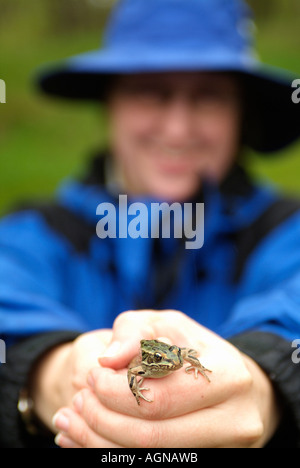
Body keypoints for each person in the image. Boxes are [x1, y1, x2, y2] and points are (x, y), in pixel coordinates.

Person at [0, 0, 300, 448]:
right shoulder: (33, 233)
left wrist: (265, 382)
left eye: (209, 95)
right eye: (150, 91)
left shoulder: (285, 231)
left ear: (241, 112)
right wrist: (50, 372)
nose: (178, 128)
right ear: (110, 103)